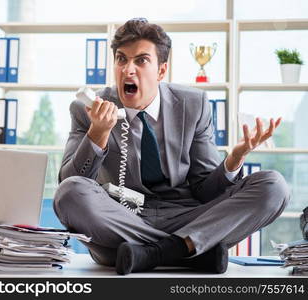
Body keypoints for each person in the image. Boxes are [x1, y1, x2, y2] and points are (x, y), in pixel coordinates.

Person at [53, 18, 290, 275]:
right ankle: (189, 250)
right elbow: (70, 183)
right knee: (70, 192)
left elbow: (206, 191)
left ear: (162, 71)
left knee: (273, 186)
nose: (128, 70)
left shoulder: (193, 104)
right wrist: (97, 134)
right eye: (121, 59)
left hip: (185, 217)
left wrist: (233, 159)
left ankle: (154, 253)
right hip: (122, 220)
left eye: (141, 60)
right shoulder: (86, 109)